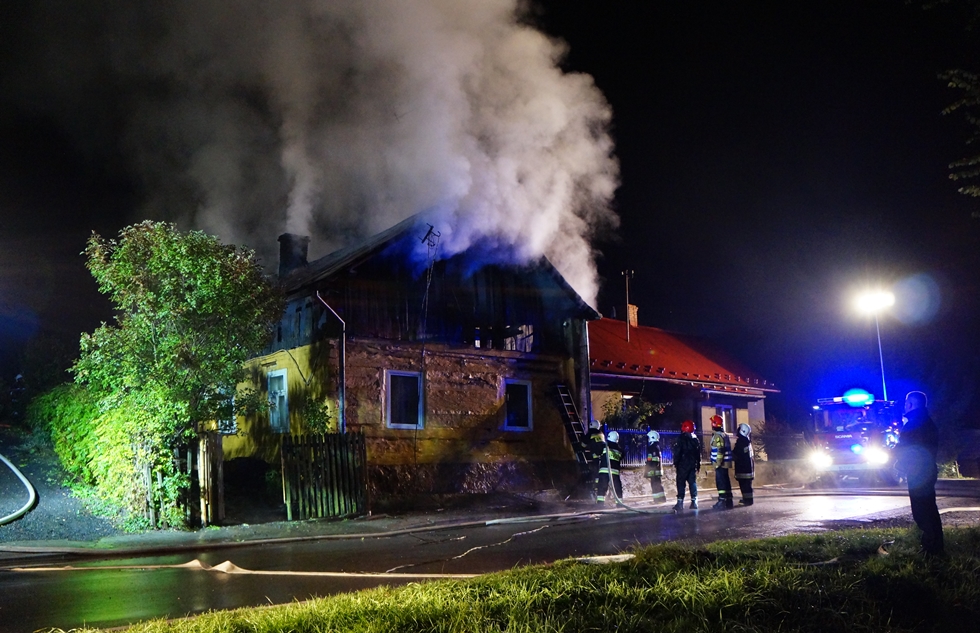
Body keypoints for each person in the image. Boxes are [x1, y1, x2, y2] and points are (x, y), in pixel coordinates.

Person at [896, 391, 944, 555]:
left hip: (918, 472)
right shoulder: (926, 422)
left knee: (922, 511)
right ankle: (934, 545)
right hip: (926, 470)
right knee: (929, 508)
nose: (905, 406)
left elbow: (906, 449)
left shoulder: (913, 424)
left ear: (910, 404)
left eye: (906, 403)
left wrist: (898, 463)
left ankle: (931, 549)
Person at [673, 420, 702, 510]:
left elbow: (677, 452)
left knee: (681, 483)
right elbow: (698, 454)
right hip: (693, 464)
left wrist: (675, 462)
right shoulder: (695, 439)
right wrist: (698, 465)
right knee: (692, 483)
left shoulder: (681, 438)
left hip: (682, 464)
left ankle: (680, 503)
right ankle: (694, 502)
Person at [709, 415, 734, 509]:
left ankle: (722, 501)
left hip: (721, 464)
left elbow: (720, 450)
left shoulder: (718, 436)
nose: (711, 424)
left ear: (715, 424)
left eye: (712, 422)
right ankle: (729, 501)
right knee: (726, 481)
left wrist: (717, 463)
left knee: (721, 482)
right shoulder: (724, 435)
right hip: (725, 463)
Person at [595, 430, 623, 505]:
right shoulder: (619, 449)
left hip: (604, 471)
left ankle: (600, 504)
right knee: (617, 488)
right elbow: (621, 457)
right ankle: (619, 504)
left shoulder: (604, 446)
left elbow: (597, 452)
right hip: (615, 472)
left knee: (602, 487)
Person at [733, 422, 755, 506]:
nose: (737, 431)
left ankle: (747, 500)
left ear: (742, 431)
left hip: (743, 468)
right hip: (748, 468)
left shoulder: (741, 442)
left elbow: (736, 454)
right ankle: (748, 499)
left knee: (744, 485)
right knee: (747, 485)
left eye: (739, 429)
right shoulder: (747, 442)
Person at [584, 422, 605, 500]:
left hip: (595, 457)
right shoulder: (601, 434)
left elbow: (583, 444)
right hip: (603, 457)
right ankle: (598, 488)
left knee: (595, 473)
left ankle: (595, 489)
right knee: (600, 474)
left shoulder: (591, 433)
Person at [644, 429, 666, 501]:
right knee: (658, 484)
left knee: (655, 485)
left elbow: (653, 460)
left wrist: (649, 470)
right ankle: (661, 499)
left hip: (654, 471)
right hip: (656, 470)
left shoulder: (652, 447)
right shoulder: (656, 447)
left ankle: (657, 500)